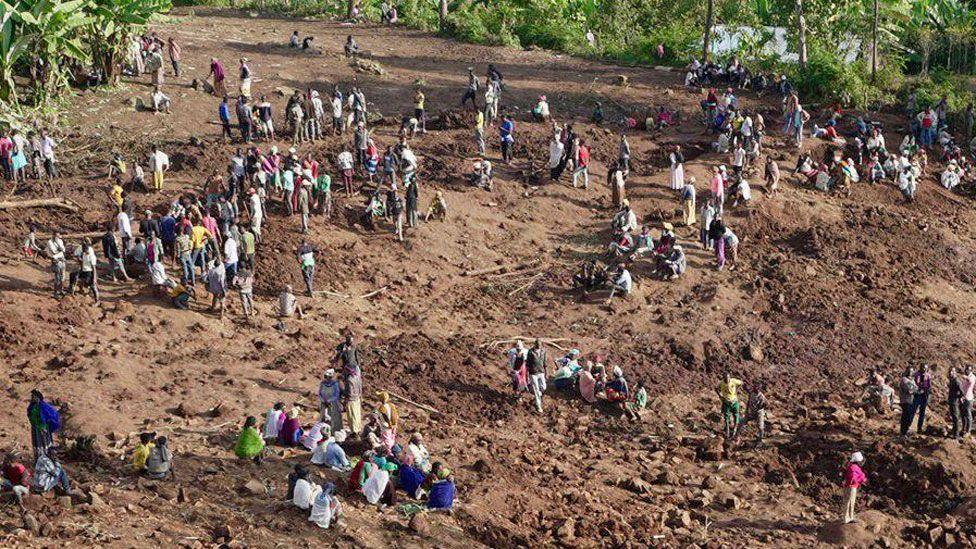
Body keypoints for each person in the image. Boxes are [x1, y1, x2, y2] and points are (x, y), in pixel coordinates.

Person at [27, 390, 60, 460]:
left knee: (44, 443)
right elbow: (29, 415)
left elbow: (51, 415)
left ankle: (47, 458)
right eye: (32, 396)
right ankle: (39, 459)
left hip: (43, 429)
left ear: (37, 397)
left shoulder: (44, 407)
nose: (32, 398)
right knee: (37, 443)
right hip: (35, 429)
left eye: (33, 396)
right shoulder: (31, 406)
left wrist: (45, 425)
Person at [842, 452, 867, 524]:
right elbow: (853, 478)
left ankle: (850, 517)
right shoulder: (853, 467)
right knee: (848, 502)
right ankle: (846, 518)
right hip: (850, 487)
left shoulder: (854, 467)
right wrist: (861, 480)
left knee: (851, 502)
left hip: (853, 487)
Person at [717, 372, 743, 439]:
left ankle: (734, 431)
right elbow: (716, 389)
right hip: (726, 402)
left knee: (736, 415)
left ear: (729, 378)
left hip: (734, 401)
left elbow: (741, 383)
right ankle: (727, 431)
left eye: (728, 378)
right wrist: (720, 396)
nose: (727, 380)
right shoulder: (721, 383)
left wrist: (737, 389)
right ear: (723, 378)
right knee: (726, 417)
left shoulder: (733, 381)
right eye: (725, 378)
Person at [526, 339, 548, 413]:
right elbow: (528, 364)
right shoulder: (531, 352)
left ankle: (538, 393)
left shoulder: (543, 351)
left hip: (541, 372)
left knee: (544, 387)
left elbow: (545, 363)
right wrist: (527, 375)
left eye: (540, 344)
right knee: (536, 389)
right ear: (535, 344)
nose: (539, 346)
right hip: (533, 373)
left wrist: (546, 373)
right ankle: (539, 406)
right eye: (537, 344)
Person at [913, 364, 932, 434]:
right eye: (923, 368)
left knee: (922, 413)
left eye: (925, 368)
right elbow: (916, 384)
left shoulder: (928, 376)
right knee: (913, 410)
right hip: (917, 394)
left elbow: (929, 386)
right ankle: (907, 426)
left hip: (924, 395)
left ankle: (919, 428)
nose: (924, 369)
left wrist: (928, 396)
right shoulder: (916, 374)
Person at [963, 366, 976, 436]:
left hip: (969, 398)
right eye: (967, 369)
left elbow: (970, 381)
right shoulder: (966, 377)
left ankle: (968, 431)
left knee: (968, 415)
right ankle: (964, 429)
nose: (968, 371)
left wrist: (966, 377)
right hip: (963, 398)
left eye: (969, 370)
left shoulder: (972, 376)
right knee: (963, 415)